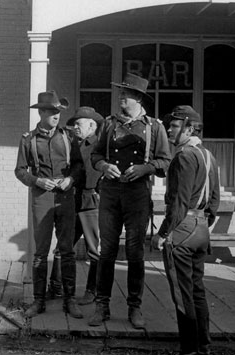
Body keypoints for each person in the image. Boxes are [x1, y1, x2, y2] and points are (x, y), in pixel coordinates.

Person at [90, 73, 171, 328]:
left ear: (137, 98)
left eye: (125, 95)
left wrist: (145, 169)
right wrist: (103, 165)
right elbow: (95, 154)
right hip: (111, 194)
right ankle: (101, 305)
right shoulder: (108, 124)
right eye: (121, 94)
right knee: (107, 251)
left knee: (135, 253)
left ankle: (134, 307)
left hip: (138, 196)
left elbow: (165, 162)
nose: (121, 99)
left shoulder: (153, 127)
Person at [151, 105, 220, 355]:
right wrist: (202, 221)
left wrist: (162, 234)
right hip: (201, 227)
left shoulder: (183, 156)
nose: (169, 129)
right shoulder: (207, 155)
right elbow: (214, 200)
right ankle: (203, 345)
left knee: (182, 294)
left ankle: (189, 349)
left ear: (189, 128)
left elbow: (179, 202)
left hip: (182, 229)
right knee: (197, 290)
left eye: (175, 125)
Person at [15, 90, 83, 318]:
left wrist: (71, 179)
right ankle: (38, 301)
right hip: (41, 198)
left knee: (67, 251)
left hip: (65, 197)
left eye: (58, 112)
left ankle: (70, 299)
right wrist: (37, 181)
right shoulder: (28, 139)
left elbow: (79, 166)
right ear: (41, 112)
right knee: (40, 253)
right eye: (52, 111)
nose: (56, 116)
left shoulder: (68, 136)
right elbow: (20, 170)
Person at [48, 107, 104, 305]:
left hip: (91, 203)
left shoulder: (101, 146)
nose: (75, 127)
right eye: (74, 124)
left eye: (79, 123)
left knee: (93, 249)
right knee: (63, 246)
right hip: (72, 200)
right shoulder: (71, 144)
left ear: (92, 125)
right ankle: (54, 287)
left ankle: (92, 290)